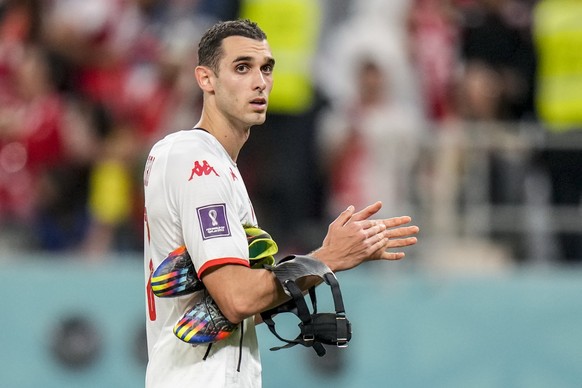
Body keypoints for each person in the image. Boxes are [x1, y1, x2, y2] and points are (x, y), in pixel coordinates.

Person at [143, 19, 419, 388]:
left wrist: (307, 276)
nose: (260, 81)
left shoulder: (215, 166)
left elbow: (224, 312)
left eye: (266, 68)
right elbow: (236, 299)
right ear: (205, 79)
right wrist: (324, 259)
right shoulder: (199, 161)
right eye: (242, 68)